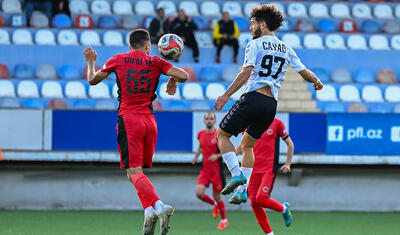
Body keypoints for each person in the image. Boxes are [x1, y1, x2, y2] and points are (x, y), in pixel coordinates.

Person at [213, 3, 323, 213]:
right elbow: (305, 73)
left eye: (253, 23)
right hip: (271, 105)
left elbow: (246, 72)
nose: (250, 27)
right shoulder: (286, 48)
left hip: (253, 98)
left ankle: (236, 175)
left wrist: (227, 94)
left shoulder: (255, 44)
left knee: (222, 134)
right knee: (247, 144)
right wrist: (316, 81)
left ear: (262, 24)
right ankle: (242, 189)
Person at [83, 29, 188, 235]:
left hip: (129, 119)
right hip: (150, 121)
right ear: (148, 46)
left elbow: (92, 80)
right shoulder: (157, 62)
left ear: (130, 46)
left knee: (133, 172)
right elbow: (183, 75)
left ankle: (158, 206)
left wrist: (89, 62)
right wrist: (172, 79)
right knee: (137, 173)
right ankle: (149, 211)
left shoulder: (119, 59)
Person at [232, 118, 294, 235]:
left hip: (268, 169)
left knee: (261, 198)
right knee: (254, 203)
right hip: (253, 169)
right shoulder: (250, 123)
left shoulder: (277, 123)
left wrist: (288, 164)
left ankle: (284, 209)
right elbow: (244, 143)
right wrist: (233, 155)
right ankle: (269, 234)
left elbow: (290, 144)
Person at [192, 112, 228, 230]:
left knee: (217, 197)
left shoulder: (218, 135)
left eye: (211, 119)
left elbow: (226, 150)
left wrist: (216, 156)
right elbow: (201, 146)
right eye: (207, 119)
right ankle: (214, 205)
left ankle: (224, 220)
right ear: (204, 121)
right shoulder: (200, 134)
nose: (209, 121)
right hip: (205, 170)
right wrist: (196, 157)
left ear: (215, 121)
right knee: (199, 193)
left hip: (216, 170)